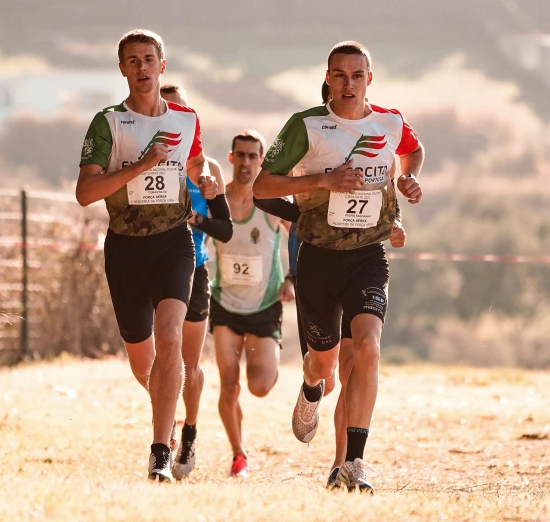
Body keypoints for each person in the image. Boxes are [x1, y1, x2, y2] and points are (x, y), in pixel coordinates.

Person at [253, 41, 425, 493]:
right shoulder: (306, 126)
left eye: (357, 75)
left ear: (370, 78)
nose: (349, 83)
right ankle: (311, 389)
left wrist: (408, 176)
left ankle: (354, 462)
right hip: (318, 259)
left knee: (365, 352)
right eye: (340, 75)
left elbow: (413, 148)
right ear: (328, 78)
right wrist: (323, 180)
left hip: (368, 256)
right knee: (326, 367)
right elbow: (262, 186)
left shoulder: (388, 121)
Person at [75, 29, 219, 483]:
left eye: (149, 59)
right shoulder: (108, 123)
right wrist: (140, 167)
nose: (142, 68)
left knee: (171, 338)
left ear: (162, 65)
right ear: (122, 69)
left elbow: (195, 162)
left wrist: (208, 179)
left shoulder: (185, 119)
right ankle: (167, 417)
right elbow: (85, 193)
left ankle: (160, 453)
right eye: (132, 61)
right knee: (145, 365)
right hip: (125, 248)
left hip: (175, 243)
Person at [158, 83, 233, 480]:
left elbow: (226, 230)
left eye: (181, 112)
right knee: (158, 361)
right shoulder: (147, 159)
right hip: (153, 266)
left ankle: (187, 433)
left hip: (196, 268)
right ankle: (164, 434)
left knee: (189, 361)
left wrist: (199, 216)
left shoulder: (209, 169)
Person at [211, 130, 296, 478]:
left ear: (261, 162)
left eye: (253, 157)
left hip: (264, 307)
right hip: (224, 304)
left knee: (258, 386)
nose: (246, 163)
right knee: (229, 386)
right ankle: (238, 456)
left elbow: (301, 239)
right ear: (231, 159)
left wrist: (293, 278)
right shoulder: (218, 202)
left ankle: (264, 362)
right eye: (240, 155)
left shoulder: (271, 204)